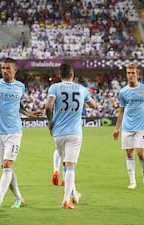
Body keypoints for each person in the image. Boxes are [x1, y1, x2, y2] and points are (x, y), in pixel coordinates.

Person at [0, 58, 41, 210]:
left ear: (14, 70)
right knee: (5, 167)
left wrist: (29, 114)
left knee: (7, 164)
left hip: (14, 131)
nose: (4, 71)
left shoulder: (20, 86)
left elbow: (18, 106)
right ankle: (19, 198)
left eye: (7, 68)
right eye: (3, 68)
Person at [45, 63, 96, 209]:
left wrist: (50, 122)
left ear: (59, 75)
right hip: (74, 133)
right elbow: (94, 105)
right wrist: (82, 104)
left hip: (58, 133)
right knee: (70, 166)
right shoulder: (81, 89)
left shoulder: (54, 87)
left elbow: (48, 106)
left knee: (65, 165)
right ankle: (66, 200)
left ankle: (74, 194)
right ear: (72, 75)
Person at [113, 63, 144, 189]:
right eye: (128, 73)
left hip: (141, 127)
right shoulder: (123, 92)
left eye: (133, 73)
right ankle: (132, 181)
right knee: (129, 153)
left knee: (141, 154)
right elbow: (121, 111)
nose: (130, 75)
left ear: (137, 74)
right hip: (127, 127)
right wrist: (117, 128)